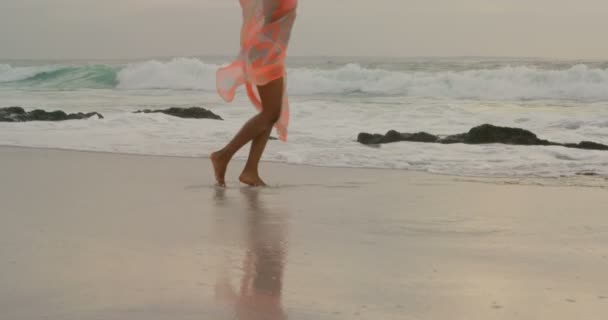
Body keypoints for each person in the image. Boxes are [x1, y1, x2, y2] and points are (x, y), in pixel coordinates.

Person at [211, 0, 298, 187]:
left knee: (270, 113)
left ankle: (250, 170)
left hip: (271, 51)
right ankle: (224, 155)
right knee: (271, 113)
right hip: (265, 51)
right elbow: (266, 14)